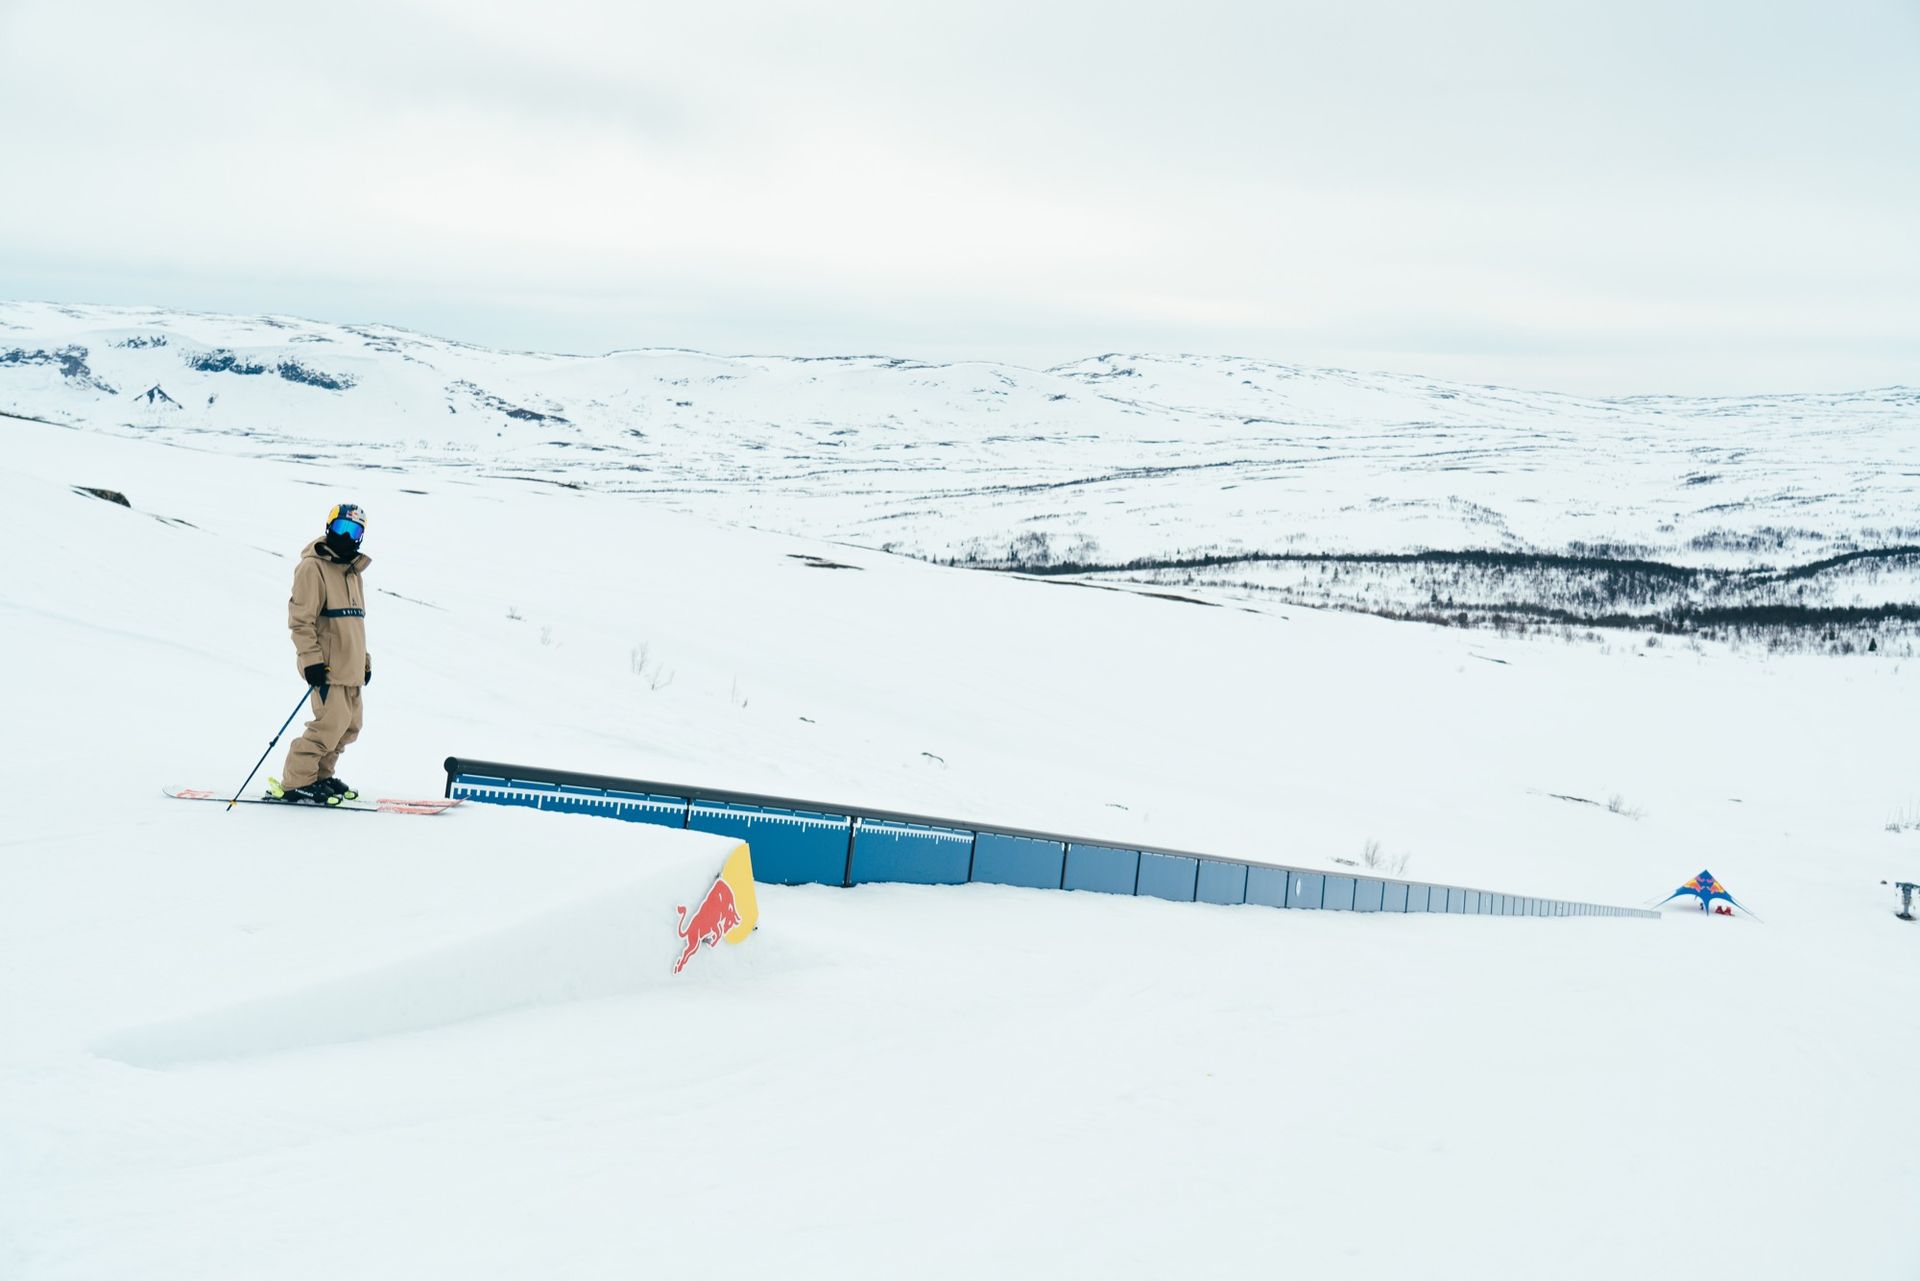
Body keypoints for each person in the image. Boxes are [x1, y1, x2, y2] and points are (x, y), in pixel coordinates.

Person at [270, 503, 372, 804]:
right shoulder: (312, 568)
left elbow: (356, 622)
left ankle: (321, 775)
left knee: (350, 726)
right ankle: (297, 781)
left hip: (351, 666)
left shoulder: (353, 574)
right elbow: (301, 621)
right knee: (329, 725)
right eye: (341, 527)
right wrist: (310, 661)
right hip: (327, 667)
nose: (346, 536)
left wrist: (364, 661)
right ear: (329, 527)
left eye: (354, 531)